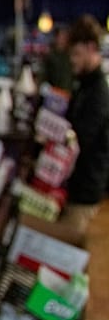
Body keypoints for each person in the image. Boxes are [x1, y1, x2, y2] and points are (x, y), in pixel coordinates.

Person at [35, 16, 108, 245]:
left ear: (91, 48)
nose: (72, 61)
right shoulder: (84, 85)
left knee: (65, 251)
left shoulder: (98, 93)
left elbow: (81, 139)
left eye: (76, 54)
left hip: (84, 188)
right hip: (74, 185)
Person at [42, 26, 75, 92]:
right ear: (56, 38)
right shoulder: (50, 56)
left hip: (68, 91)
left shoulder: (70, 55)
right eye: (61, 37)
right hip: (53, 92)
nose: (63, 39)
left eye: (65, 37)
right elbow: (44, 74)